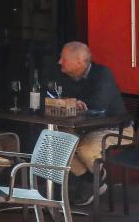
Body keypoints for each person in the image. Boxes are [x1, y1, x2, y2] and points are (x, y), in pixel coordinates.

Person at [56, 41, 132, 204]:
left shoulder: (102, 74)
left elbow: (99, 105)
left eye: (63, 58)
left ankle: (92, 180)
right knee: (57, 144)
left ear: (79, 61)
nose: (59, 62)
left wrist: (74, 103)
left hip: (117, 128)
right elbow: (53, 97)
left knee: (85, 147)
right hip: (86, 128)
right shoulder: (65, 77)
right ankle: (94, 179)